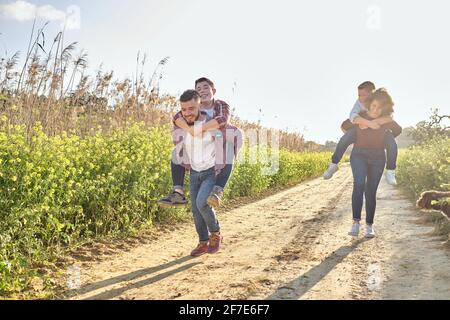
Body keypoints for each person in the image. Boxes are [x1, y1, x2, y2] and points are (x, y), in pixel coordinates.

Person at [158, 77, 239, 208]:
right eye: (198, 89)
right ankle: (178, 192)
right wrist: (190, 129)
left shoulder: (220, 105)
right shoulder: (194, 106)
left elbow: (223, 119)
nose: (202, 91)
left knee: (229, 146)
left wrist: (200, 128)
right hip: (199, 145)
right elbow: (177, 117)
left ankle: (217, 190)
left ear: (214, 90)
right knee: (177, 152)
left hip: (217, 141)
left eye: (206, 87)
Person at [343, 88, 402, 238]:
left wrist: (379, 121)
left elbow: (398, 129)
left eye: (381, 107)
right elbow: (345, 125)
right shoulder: (362, 115)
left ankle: (369, 225)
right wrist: (364, 122)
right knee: (359, 184)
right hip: (359, 154)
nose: (377, 109)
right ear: (369, 104)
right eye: (374, 105)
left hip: (378, 158)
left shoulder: (387, 121)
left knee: (371, 191)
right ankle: (355, 223)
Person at [323, 81, 399, 185]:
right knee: (347, 137)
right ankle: (334, 164)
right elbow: (352, 117)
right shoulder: (359, 104)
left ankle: (391, 170)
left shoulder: (378, 104)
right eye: (359, 95)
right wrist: (365, 124)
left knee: (392, 142)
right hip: (359, 128)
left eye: (363, 95)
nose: (360, 98)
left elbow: (390, 117)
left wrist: (375, 123)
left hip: (378, 138)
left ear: (372, 94)